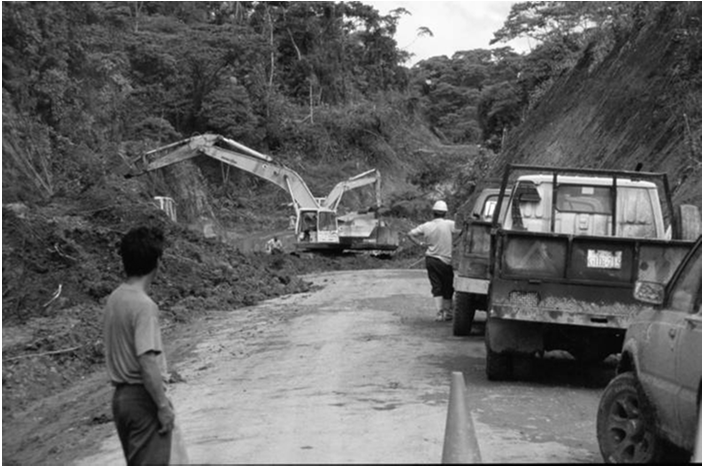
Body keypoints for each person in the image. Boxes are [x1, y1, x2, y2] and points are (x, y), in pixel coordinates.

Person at [104, 226, 177, 465]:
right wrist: (162, 406)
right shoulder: (144, 306)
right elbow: (147, 361)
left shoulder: (115, 299)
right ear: (157, 262)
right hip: (142, 399)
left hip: (121, 401)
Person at [407, 200, 458, 322]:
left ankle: (439, 313)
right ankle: (448, 313)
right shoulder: (449, 225)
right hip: (445, 261)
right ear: (445, 213)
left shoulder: (426, 226)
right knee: (447, 287)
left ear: (433, 213)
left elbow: (410, 234)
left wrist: (419, 243)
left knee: (436, 286)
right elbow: (463, 231)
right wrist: (455, 242)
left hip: (430, 260)